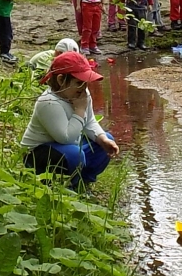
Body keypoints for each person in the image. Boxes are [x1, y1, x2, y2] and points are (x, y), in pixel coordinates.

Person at [21, 51, 119, 188]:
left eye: (86, 83)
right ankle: (59, 184)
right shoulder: (48, 102)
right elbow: (66, 138)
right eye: (79, 82)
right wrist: (79, 111)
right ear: (61, 80)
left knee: (106, 140)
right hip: (39, 154)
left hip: (68, 147)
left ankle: (82, 180)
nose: (84, 87)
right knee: (74, 154)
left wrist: (102, 139)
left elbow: (90, 122)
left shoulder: (81, 94)